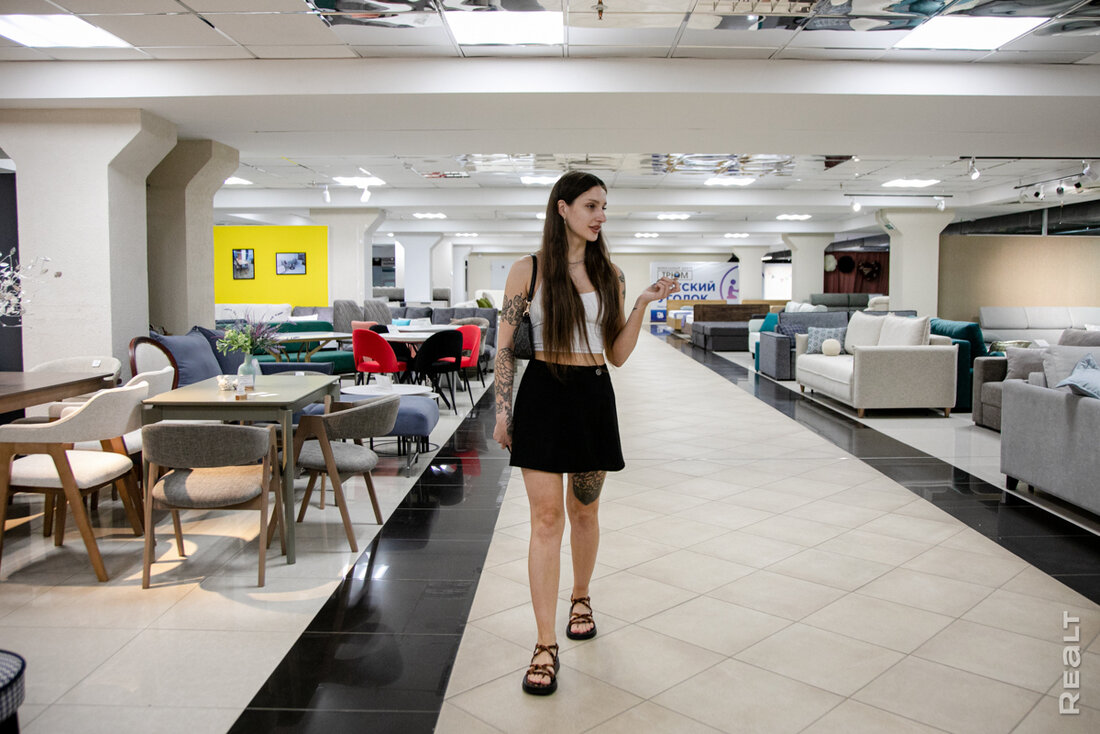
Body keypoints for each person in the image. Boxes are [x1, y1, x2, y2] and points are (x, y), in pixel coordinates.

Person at [493, 170, 680, 695]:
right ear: (563, 208)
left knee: (584, 511)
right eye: (591, 206)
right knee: (546, 519)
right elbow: (504, 347)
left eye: (604, 208)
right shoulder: (527, 271)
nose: (600, 217)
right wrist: (502, 411)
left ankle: (581, 597)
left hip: (593, 396)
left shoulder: (610, 274)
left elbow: (616, 354)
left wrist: (641, 305)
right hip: (542, 396)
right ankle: (544, 643)